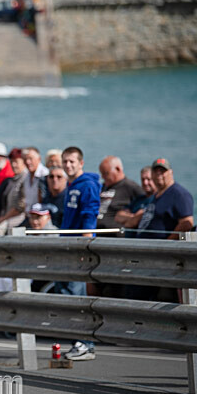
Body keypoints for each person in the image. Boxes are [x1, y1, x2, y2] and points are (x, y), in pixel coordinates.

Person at [58, 146, 101, 361]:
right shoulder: (71, 185)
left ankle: (85, 343)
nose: (68, 165)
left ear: (81, 163)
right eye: (65, 161)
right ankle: (78, 341)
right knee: (67, 295)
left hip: (78, 249)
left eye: (72, 162)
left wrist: (85, 246)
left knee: (77, 296)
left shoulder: (88, 185)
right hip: (66, 247)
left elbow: (89, 217)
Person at [137, 158, 194, 240]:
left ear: (171, 172)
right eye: (155, 171)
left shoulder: (180, 194)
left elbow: (186, 224)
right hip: (144, 245)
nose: (158, 174)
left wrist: (167, 243)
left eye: (162, 171)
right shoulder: (156, 195)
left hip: (161, 248)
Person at [96, 156, 144, 234]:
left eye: (106, 173)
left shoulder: (131, 187)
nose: (103, 177)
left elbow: (145, 204)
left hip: (114, 235)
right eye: (102, 174)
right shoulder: (102, 187)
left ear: (118, 169)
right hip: (97, 232)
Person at [0, 148, 27, 235]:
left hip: (18, 217)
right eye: (11, 162)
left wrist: (4, 218)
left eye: (16, 162)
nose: (13, 165)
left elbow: (20, 207)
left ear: (24, 162)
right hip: (7, 217)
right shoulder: (11, 180)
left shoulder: (25, 179)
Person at [115, 166, 156, 233]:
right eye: (143, 179)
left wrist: (128, 219)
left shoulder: (157, 199)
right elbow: (118, 216)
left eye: (148, 179)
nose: (145, 183)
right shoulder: (138, 199)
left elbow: (133, 223)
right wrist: (134, 217)